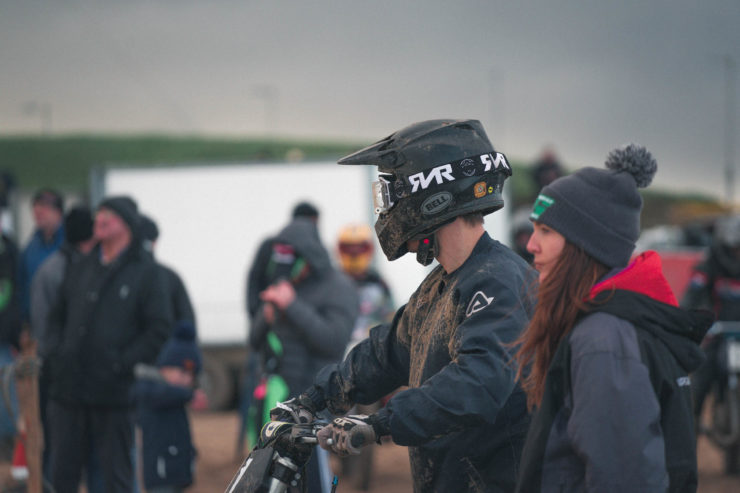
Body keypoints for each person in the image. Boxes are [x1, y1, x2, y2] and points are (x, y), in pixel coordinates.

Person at [276, 119, 536, 492]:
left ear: (430, 194)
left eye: (390, 194)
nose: (387, 208)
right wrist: (314, 398)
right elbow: (386, 353)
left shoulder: (498, 282)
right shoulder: (443, 282)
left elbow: (476, 385)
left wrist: (379, 424)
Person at [513, 144, 713, 492]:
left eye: (546, 231)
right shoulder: (612, 327)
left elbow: (624, 479)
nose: (531, 245)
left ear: (585, 246)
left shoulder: (603, 341)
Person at [44, 196, 173, 493]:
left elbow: (159, 328)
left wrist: (121, 363)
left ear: (126, 225)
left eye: (109, 215)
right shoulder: (81, 265)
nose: (99, 219)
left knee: (116, 479)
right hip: (68, 391)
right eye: (99, 212)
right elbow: (56, 317)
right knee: (63, 477)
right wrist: (56, 355)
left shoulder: (145, 272)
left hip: (113, 394)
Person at [248, 215, 358, 493]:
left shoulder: (339, 286)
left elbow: (333, 341)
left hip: (314, 408)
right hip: (276, 404)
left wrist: (292, 305)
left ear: (307, 256)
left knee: (312, 482)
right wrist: (267, 315)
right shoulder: (285, 282)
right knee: (267, 479)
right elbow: (254, 340)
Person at [683, 214, 740, 428]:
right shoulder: (709, 266)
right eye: (736, 249)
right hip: (717, 334)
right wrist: (688, 320)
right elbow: (691, 296)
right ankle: (692, 425)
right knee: (700, 378)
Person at [134, 320, 201, 493]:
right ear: (165, 367)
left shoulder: (174, 397)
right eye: (183, 372)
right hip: (160, 473)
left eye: (192, 375)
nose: (187, 379)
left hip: (177, 471)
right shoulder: (149, 389)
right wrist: (190, 395)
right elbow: (159, 395)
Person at [335, 223, 394, 351]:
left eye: (359, 249)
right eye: (349, 249)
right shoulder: (332, 283)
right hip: (340, 347)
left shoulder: (378, 284)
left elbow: (390, 318)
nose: (354, 254)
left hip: (371, 348)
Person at [19, 188, 65, 322]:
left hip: (61, 321)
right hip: (36, 321)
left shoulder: (70, 244)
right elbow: (22, 285)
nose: (38, 213)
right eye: (36, 210)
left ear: (58, 212)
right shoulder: (31, 247)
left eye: (44, 209)